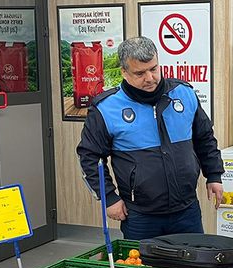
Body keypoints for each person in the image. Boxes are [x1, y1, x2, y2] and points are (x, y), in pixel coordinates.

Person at [77, 37, 223, 240]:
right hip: (140, 216)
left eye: (153, 69)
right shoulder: (106, 108)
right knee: (141, 262)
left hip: (187, 209)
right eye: (140, 73)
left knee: (193, 259)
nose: (150, 78)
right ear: (124, 72)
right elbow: (89, 157)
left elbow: (204, 137)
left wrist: (214, 174)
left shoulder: (184, 93)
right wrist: (108, 197)